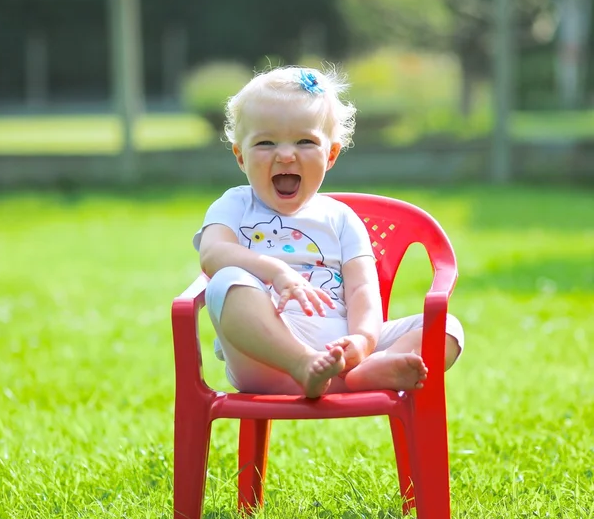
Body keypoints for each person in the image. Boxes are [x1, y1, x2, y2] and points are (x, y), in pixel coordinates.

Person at [193, 65, 463, 398]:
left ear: (331, 154)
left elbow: (363, 287)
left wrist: (363, 341)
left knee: (446, 329)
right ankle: (302, 363)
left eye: (305, 141)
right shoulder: (234, 205)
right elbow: (212, 254)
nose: (286, 154)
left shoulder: (341, 218)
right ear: (240, 157)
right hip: (264, 358)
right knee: (226, 281)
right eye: (265, 143)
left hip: (341, 350)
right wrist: (276, 271)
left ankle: (366, 372)